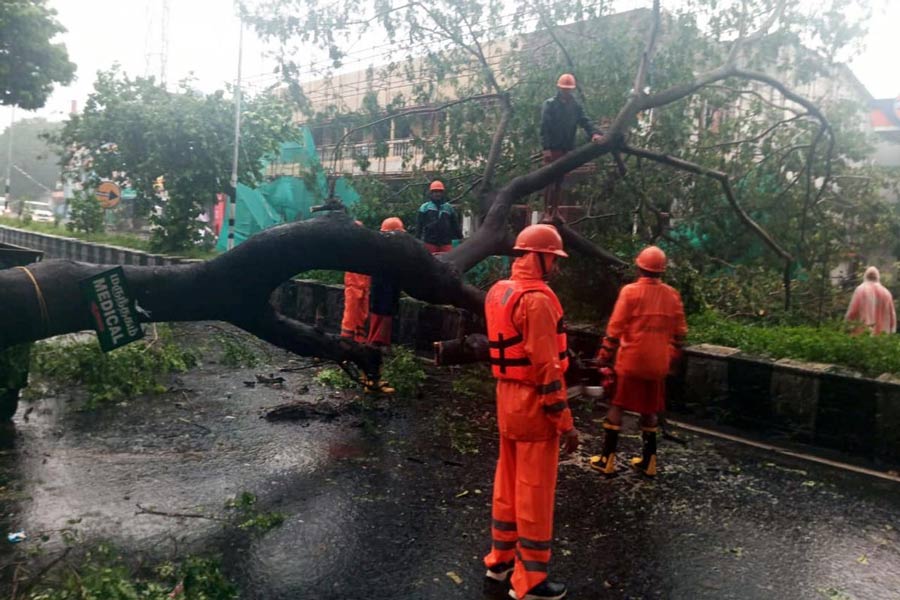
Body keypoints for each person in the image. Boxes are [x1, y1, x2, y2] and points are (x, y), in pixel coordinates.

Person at [483, 224, 579, 600]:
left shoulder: (499, 291)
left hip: (506, 399)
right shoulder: (537, 300)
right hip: (533, 405)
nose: (554, 264)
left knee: (506, 482)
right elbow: (546, 368)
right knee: (534, 492)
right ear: (540, 257)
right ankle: (532, 581)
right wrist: (566, 423)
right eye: (552, 258)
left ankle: (500, 560)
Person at [590, 246, 687, 478]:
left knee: (617, 405)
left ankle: (607, 459)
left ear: (639, 267)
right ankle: (649, 461)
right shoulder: (672, 295)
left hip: (631, 362)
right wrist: (670, 358)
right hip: (657, 365)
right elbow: (680, 333)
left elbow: (615, 329)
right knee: (649, 410)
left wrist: (603, 355)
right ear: (662, 271)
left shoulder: (630, 292)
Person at [540, 74, 604, 217]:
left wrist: (594, 133)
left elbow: (585, 121)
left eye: (568, 89)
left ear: (572, 89)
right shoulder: (550, 104)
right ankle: (546, 212)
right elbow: (545, 127)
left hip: (567, 148)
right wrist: (546, 149)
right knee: (549, 180)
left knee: (560, 181)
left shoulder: (575, 106)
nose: (566, 91)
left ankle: (555, 210)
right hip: (553, 147)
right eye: (564, 89)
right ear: (559, 88)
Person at [367, 217, 405, 348]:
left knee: (386, 311)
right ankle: (377, 341)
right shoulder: (383, 248)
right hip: (383, 284)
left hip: (388, 285)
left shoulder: (392, 248)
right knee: (382, 311)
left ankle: (380, 341)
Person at [340, 221, 371, 343]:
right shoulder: (349, 247)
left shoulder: (366, 247)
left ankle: (359, 341)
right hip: (353, 286)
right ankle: (346, 341)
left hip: (364, 286)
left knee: (362, 316)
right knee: (350, 315)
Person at [845, 266, 896, 335]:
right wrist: (892, 332)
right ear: (878, 277)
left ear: (865, 276)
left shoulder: (860, 290)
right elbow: (892, 316)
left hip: (863, 335)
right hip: (882, 337)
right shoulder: (886, 293)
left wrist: (846, 327)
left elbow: (852, 312)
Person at [416, 180, 462, 254]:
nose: (437, 194)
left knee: (447, 262)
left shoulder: (448, 208)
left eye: (439, 192)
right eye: (435, 192)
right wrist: (417, 240)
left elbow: (455, 225)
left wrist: (460, 238)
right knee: (430, 263)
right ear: (431, 193)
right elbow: (419, 226)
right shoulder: (425, 207)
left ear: (442, 193)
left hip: (446, 243)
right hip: (430, 242)